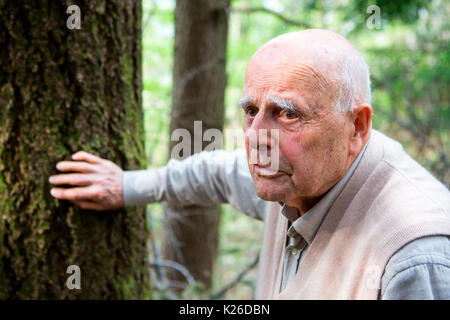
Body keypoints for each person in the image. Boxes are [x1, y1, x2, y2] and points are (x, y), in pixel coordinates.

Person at [49, 29, 450, 299]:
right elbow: (215, 174)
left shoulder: (414, 256)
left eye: (288, 114)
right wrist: (125, 186)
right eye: (251, 110)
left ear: (357, 127)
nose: (256, 137)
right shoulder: (295, 175)